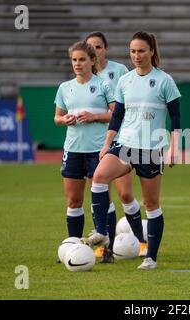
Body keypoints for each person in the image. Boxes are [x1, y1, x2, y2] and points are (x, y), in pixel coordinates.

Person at [82, 31, 181, 270]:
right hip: (124, 144)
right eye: (133, 51)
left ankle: (151, 258)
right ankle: (103, 232)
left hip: (151, 148)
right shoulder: (125, 80)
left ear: (152, 52)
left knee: (151, 204)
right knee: (99, 178)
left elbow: (176, 118)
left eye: (141, 51)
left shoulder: (165, 80)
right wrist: (107, 143)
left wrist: (174, 149)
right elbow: (117, 115)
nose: (136, 56)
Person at [84, 32, 148, 261]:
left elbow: (122, 110)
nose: (94, 51)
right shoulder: (83, 76)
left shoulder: (120, 71)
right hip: (93, 143)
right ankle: (105, 249)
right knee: (101, 194)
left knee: (125, 193)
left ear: (106, 48)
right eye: (90, 47)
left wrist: (95, 116)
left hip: (121, 140)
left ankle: (142, 243)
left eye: (98, 47)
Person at [53, 41, 115, 260]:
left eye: (82, 59)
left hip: (98, 150)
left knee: (101, 199)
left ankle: (107, 248)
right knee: (74, 201)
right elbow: (57, 118)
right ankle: (74, 248)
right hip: (73, 149)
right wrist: (65, 120)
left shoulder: (104, 85)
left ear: (92, 61)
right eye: (74, 60)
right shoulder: (65, 88)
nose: (77, 64)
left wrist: (94, 116)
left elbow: (116, 115)